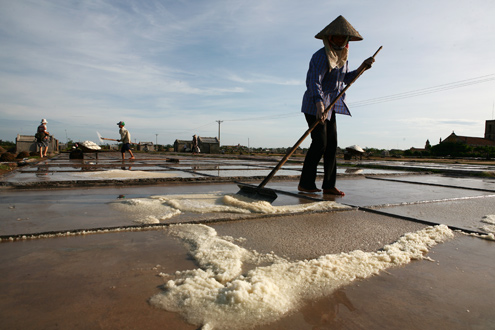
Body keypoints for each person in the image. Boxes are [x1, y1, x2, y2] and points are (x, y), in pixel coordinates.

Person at [298, 15, 374, 196]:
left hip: (330, 106)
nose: (340, 40)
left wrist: (363, 67)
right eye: (337, 37)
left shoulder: (342, 58)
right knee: (320, 143)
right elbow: (313, 82)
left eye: (343, 37)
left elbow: (345, 79)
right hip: (314, 105)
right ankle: (306, 183)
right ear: (329, 38)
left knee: (332, 145)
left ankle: (329, 185)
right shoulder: (320, 56)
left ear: (347, 40)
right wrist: (319, 106)